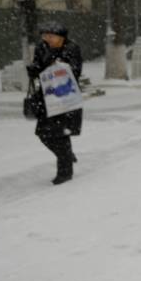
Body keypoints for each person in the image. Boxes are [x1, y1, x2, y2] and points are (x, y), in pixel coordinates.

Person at [26, 21, 83, 185]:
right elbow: (38, 66)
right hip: (46, 96)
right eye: (45, 35)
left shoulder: (71, 48)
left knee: (59, 133)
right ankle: (66, 155)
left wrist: (58, 64)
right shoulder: (41, 47)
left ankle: (64, 172)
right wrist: (34, 68)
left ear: (61, 37)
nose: (47, 39)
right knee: (43, 134)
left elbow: (76, 71)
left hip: (65, 97)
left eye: (51, 36)